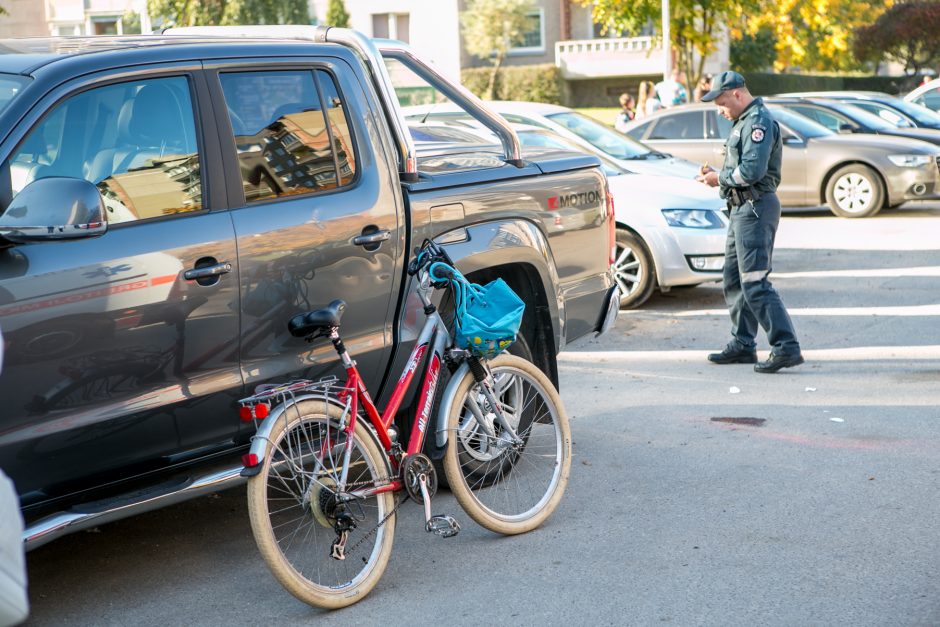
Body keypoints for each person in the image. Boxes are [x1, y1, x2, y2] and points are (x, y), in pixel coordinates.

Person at [695, 71, 804, 373]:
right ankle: (743, 344)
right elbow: (741, 168)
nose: (720, 110)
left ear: (737, 94)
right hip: (741, 209)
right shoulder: (743, 121)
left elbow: (752, 172)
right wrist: (717, 176)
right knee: (733, 279)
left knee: (755, 283)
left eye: (721, 103)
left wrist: (720, 177)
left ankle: (786, 347)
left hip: (755, 209)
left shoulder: (757, 122)